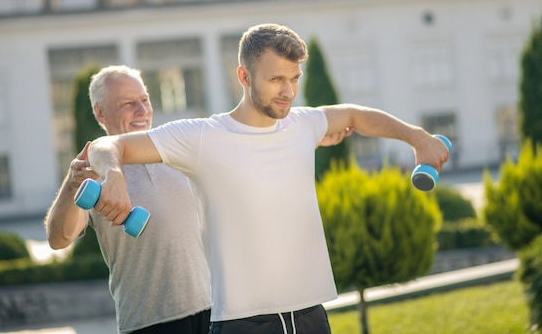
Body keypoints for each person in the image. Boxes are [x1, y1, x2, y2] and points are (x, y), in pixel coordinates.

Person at [86, 23, 450, 334]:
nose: (288, 91)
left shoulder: (303, 124)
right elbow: (107, 145)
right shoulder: (201, 137)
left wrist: (418, 138)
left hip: (311, 315)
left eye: (294, 78)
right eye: (276, 79)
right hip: (244, 323)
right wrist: (114, 173)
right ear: (244, 76)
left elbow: (355, 114)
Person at [44, 66, 212, 334]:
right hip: (148, 323)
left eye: (144, 100)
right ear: (100, 113)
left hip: (210, 312)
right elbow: (58, 239)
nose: (142, 110)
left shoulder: (176, 153)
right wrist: (72, 184)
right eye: (127, 104)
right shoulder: (93, 172)